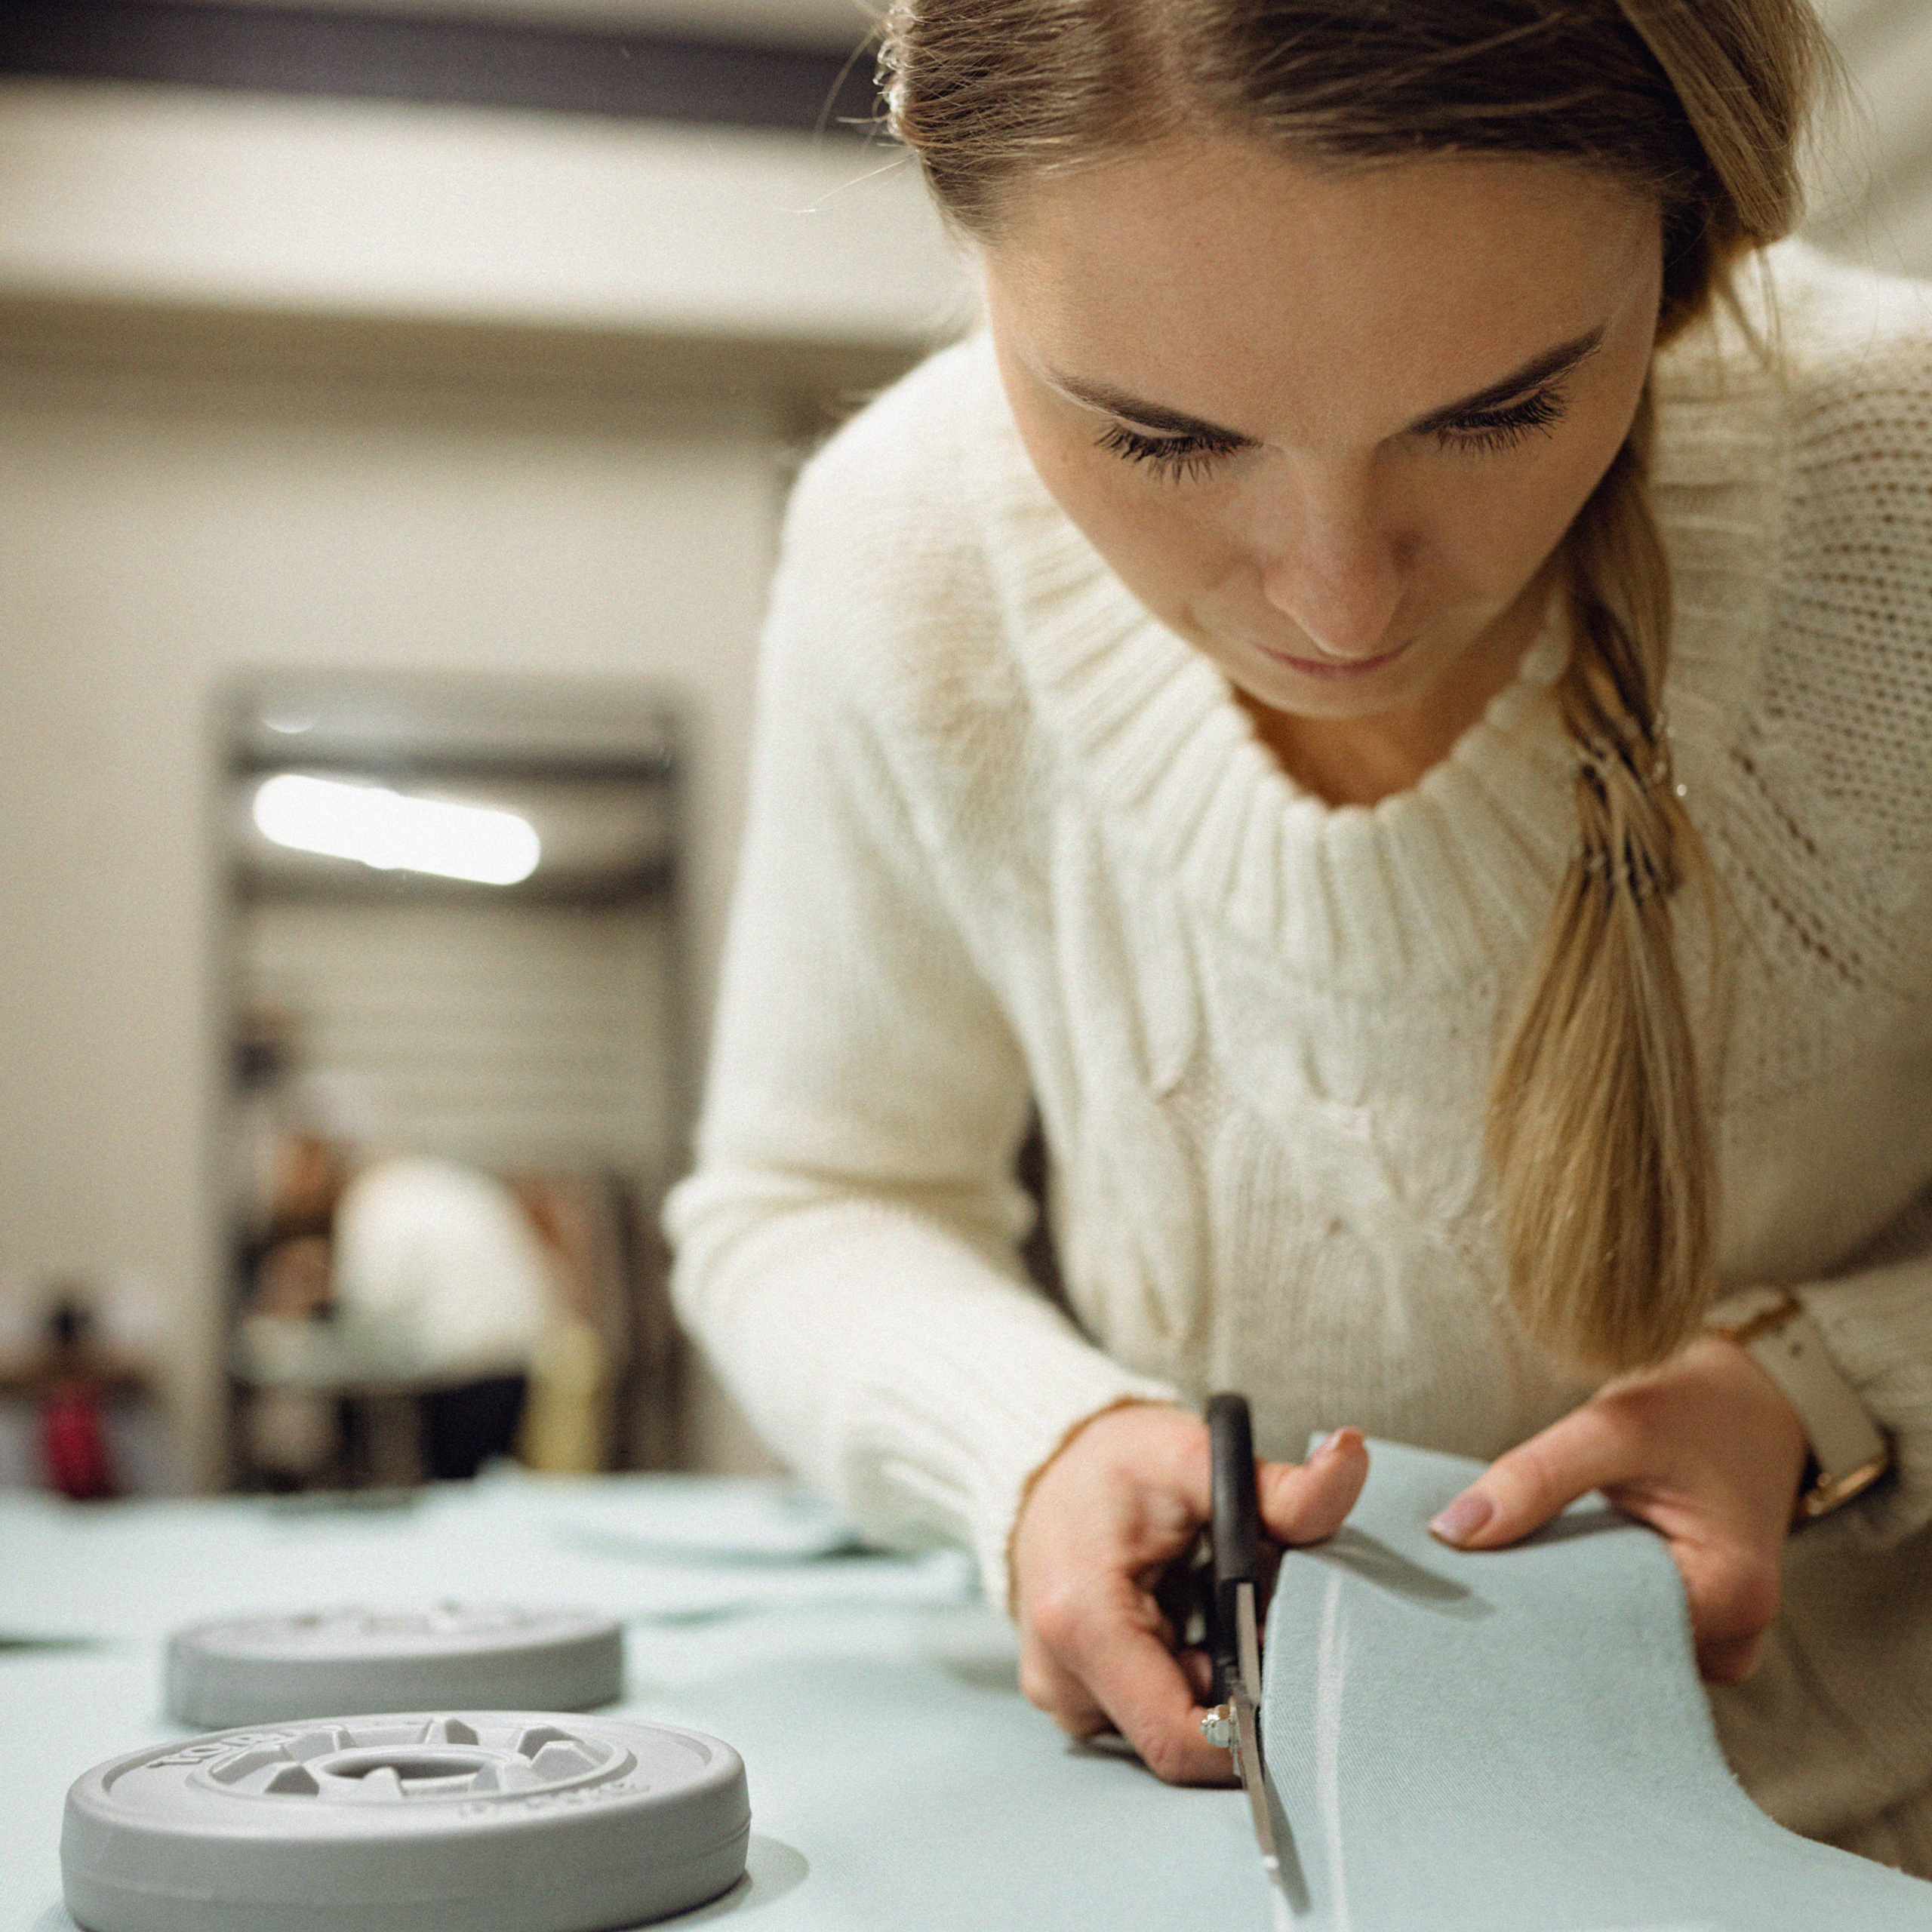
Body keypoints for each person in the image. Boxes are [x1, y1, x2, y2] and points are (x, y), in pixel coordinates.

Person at [666, 0, 1932, 1872]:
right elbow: (811, 1196)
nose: (1334, 602)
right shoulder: (903, 552)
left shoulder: (1903, 496)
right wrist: (1036, 1444)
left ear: (1682, 239)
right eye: (1158, 436)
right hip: (1228, 1860)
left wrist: (1832, 1391)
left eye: (1495, 410)